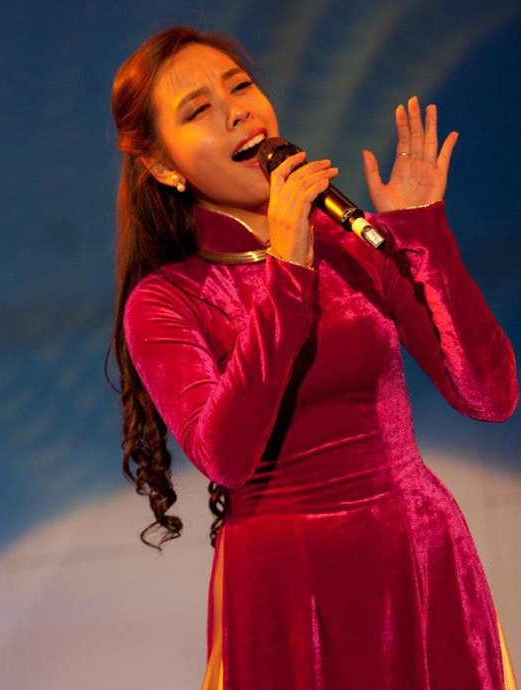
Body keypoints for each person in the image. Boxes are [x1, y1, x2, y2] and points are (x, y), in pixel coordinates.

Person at [109, 25, 518, 690]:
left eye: (240, 87)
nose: (236, 111)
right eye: (198, 109)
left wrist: (422, 232)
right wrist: (288, 269)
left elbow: (489, 395)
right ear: (163, 166)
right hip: (285, 585)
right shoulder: (166, 300)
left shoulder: (351, 244)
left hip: (416, 553)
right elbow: (224, 455)